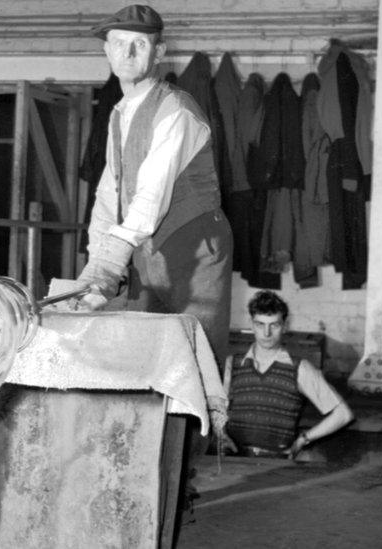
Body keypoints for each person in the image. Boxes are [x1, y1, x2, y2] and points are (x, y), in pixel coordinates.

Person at [77, 4, 234, 369]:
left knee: (196, 362)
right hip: (148, 251)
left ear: (159, 52)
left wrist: (107, 269)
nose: (128, 53)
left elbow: (151, 195)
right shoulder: (120, 113)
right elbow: (108, 196)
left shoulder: (176, 108)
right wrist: (93, 267)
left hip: (193, 249)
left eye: (140, 44)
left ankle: (206, 427)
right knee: (143, 359)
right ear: (107, 50)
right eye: (119, 43)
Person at [215, 290, 353, 458]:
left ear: (285, 326)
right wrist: (221, 434)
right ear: (252, 325)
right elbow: (216, 411)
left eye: (274, 325)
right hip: (233, 459)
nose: (267, 333)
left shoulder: (300, 368)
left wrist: (303, 439)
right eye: (260, 324)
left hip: (276, 463)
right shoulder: (233, 364)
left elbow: (343, 414)